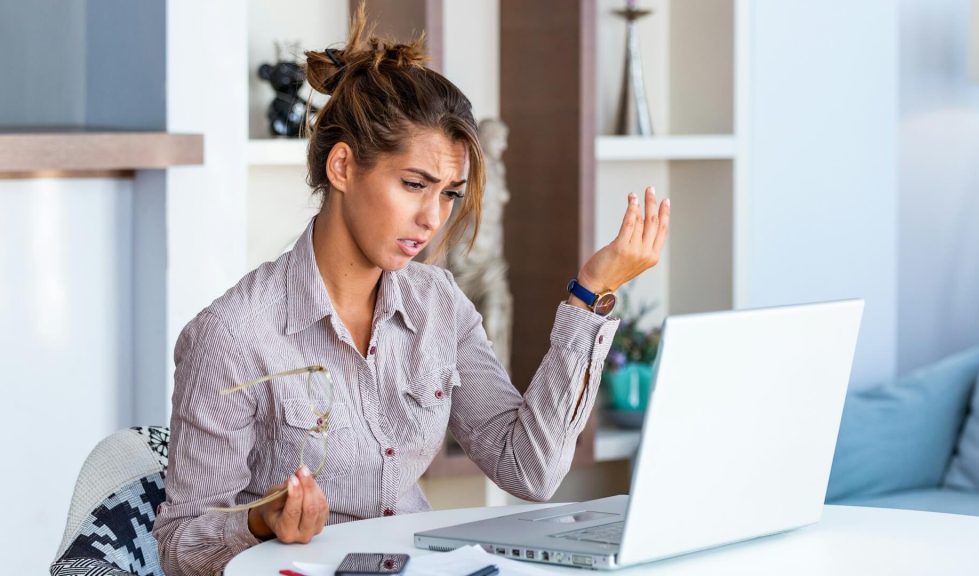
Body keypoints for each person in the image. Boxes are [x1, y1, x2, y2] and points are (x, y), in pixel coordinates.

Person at [152, 6, 670, 576]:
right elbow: (180, 546)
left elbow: (531, 469)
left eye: (450, 194)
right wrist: (260, 519)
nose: (432, 218)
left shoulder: (438, 304)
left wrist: (590, 295)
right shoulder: (234, 334)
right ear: (343, 166)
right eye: (414, 185)